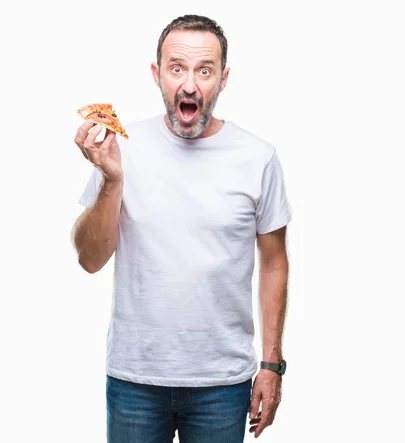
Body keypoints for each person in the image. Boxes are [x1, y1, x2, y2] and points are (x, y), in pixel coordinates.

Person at [71, 14, 292, 443]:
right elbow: (89, 258)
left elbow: (274, 265)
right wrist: (112, 181)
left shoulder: (258, 157)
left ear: (223, 79)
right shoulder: (121, 149)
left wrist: (271, 364)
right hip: (135, 380)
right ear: (157, 74)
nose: (189, 85)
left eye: (204, 70)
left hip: (223, 384)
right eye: (177, 68)